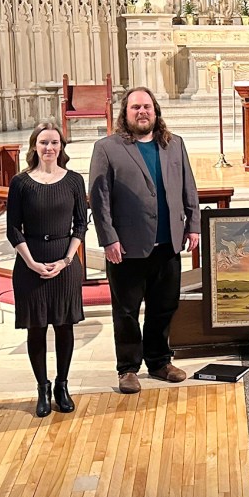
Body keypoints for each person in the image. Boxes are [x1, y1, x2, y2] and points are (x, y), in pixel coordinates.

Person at [89, 87, 200, 394]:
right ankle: (127, 368)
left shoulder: (174, 144)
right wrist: (108, 238)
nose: (142, 112)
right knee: (126, 311)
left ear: (155, 111)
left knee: (163, 307)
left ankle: (160, 361)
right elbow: (99, 198)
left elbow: (189, 187)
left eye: (147, 107)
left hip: (168, 242)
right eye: (135, 107)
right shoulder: (107, 148)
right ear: (125, 113)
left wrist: (193, 226)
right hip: (127, 247)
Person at [7, 123, 87, 417]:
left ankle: (62, 386)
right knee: (36, 327)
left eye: (54, 142)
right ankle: (42, 386)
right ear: (34, 146)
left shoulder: (74, 180)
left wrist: (66, 260)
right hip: (31, 262)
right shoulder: (20, 182)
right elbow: (13, 227)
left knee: (64, 326)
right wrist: (31, 262)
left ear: (61, 146)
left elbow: (81, 224)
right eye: (43, 142)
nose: (49, 148)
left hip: (65, 262)